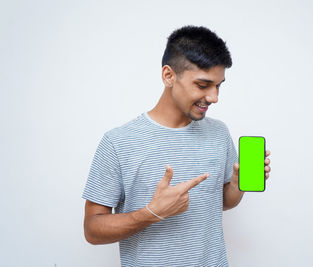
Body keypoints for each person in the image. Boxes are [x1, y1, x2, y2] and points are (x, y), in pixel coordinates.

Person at [82, 25, 271, 267]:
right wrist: (151, 213)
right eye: (203, 85)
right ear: (168, 76)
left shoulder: (219, 133)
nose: (214, 97)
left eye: (218, 85)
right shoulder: (118, 142)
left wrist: (236, 184)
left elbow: (222, 202)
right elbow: (92, 230)